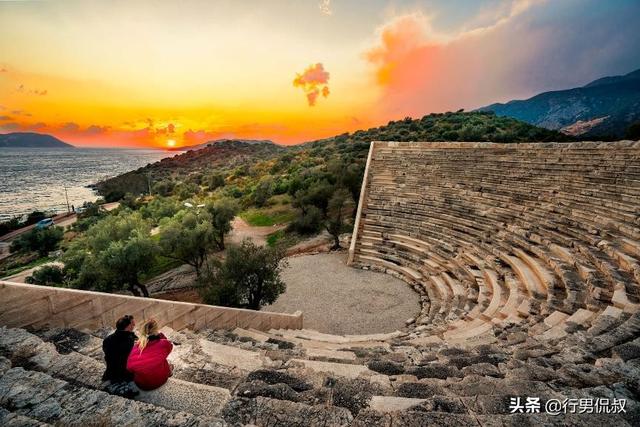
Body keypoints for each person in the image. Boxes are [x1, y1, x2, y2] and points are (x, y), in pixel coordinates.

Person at [127, 318, 173, 391]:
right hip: (160, 379)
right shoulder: (164, 343)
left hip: (142, 384)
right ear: (156, 330)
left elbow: (129, 367)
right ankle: (168, 372)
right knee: (166, 362)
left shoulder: (136, 347)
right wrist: (160, 335)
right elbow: (169, 347)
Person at [102, 314, 139, 397]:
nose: (134, 325)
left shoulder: (107, 339)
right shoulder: (129, 341)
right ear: (128, 326)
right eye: (132, 324)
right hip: (125, 373)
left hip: (110, 371)